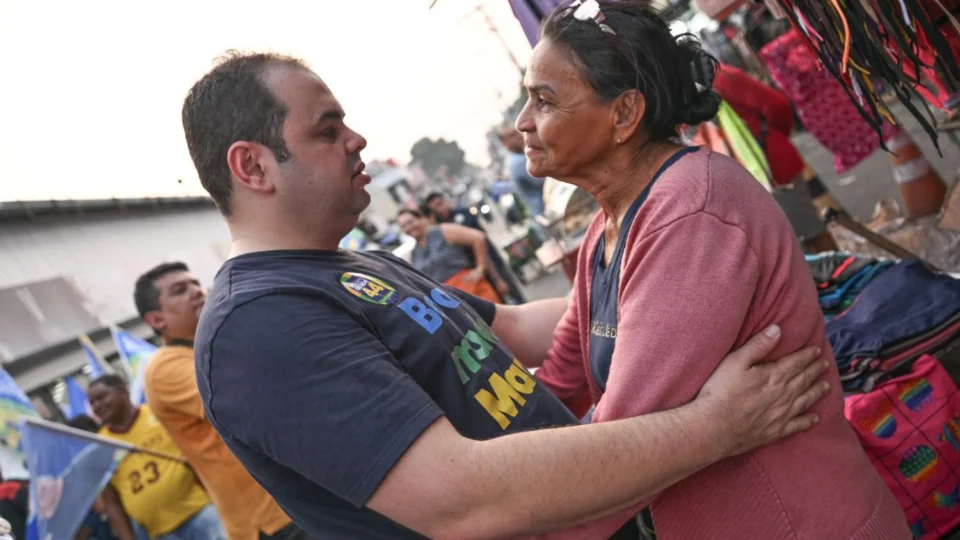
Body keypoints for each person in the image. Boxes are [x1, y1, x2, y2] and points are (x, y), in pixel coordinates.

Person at [180, 50, 830, 539]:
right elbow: (460, 498)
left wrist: (688, 287)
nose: (357, 141)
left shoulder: (356, 267)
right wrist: (716, 426)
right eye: (326, 131)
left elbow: (521, 328)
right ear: (253, 166)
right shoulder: (259, 326)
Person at [521, 2, 909, 539]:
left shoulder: (690, 213)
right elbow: (558, 386)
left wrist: (501, 519)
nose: (523, 123)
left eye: (544, 100)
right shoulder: (603, 233)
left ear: (624, 113)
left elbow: (625, 450)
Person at [133, 262, 308, 540]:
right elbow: (245, 400)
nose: (196, 292)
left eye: (194, 283)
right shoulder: (164, 369)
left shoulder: (215, 342)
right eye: (180, 290)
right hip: (269, 517)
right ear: (157, 321)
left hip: (301, 496)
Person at [87, 375, 226, 540]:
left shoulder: (158, 414)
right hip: (159, 534)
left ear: (122, 391)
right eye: (92, 402)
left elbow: (198, 455)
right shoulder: (101, 447)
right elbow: (111, 503)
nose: (97, 406)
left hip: (201, 512)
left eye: (101, 397)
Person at [424, 191, 528, 303]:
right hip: (471, 269)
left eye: (440, 203)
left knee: (508, 289)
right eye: (435, 207)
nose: (440, 209)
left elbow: (480, 238)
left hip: (488, 259)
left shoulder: (462, 214)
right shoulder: (438, 228)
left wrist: (495, 276)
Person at [397, 208, 508, 302]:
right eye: (404, 226)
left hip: (472, 288)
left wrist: (480, 268)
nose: (409, 227)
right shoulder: (414, 254)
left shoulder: (443, 231)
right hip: (449, 300)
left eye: (410, 222)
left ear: (420, 219)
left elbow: (478, 238)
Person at [499, 124, 546, 217]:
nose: (519, 136)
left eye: (517, 132)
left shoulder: (521, 156)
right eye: (513, 135)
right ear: (505, 143)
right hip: (545, 210)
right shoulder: (518, 162)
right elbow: (545, 182)